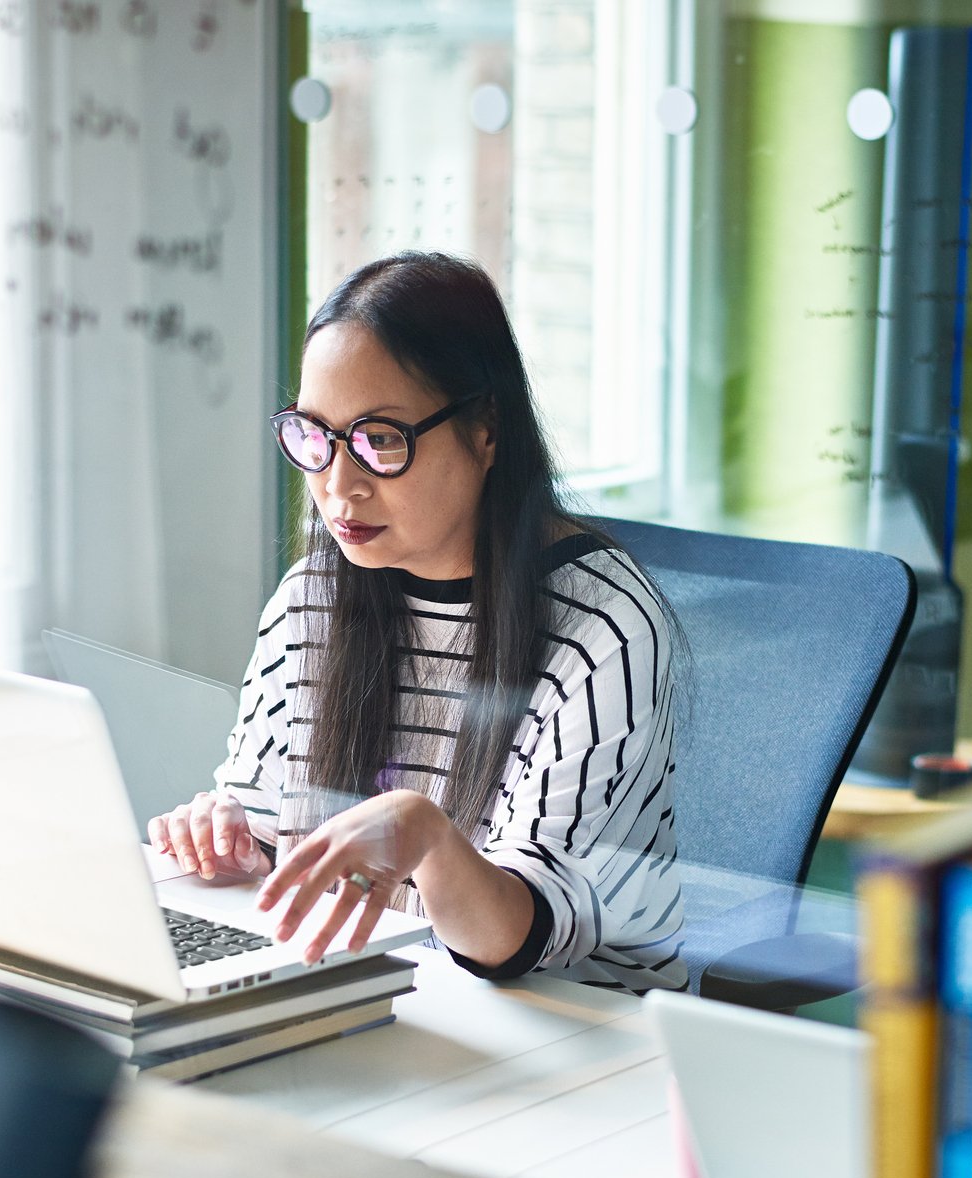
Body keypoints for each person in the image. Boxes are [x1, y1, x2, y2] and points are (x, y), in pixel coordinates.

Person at [148, 251, 687, 991]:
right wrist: (239, 843)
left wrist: (425, 837)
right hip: (385, 997)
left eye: (379, 440)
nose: (338, 487)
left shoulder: (603, 626)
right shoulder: (313, 598)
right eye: (313, 436)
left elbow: (518, 939)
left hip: (576, 1036)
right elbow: (269, 817)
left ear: (485, 429)